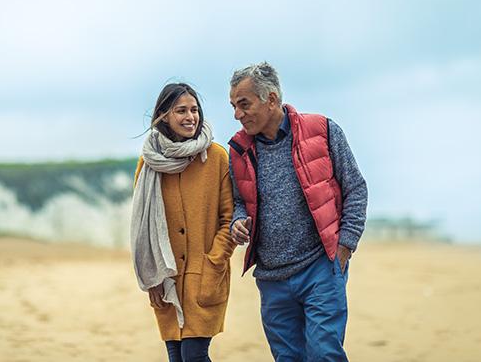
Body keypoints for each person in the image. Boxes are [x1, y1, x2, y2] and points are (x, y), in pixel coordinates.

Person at [228, 62, 368, 361]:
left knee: (324, 354)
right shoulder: (238, 151)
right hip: (272, 279)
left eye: (244, 104)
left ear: (271, 99)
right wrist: (238, 221)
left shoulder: (323, 131)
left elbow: (355, 188)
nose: (237, 114)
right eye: (234, 106)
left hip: (320, 268)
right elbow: (239, 201)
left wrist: (344, 247)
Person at [131, 82, 235, 362]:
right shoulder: (148, 162)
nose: (191, 117)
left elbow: (229, 219)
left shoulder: (216, 158)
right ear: (164, 115)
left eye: (194, 110)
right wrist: (153, 277)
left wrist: (214, 261)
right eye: (181, 111)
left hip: (205, 276)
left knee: (194, 356)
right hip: (165, 279)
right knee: (177, 357)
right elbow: (142, 227)